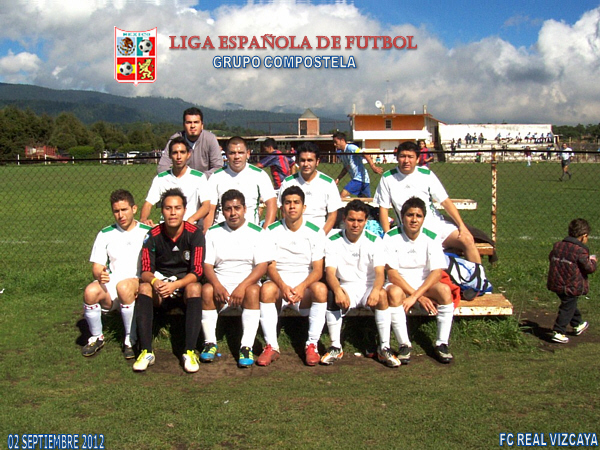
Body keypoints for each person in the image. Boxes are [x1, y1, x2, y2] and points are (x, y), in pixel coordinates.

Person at [133, 188, 205, 372]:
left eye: (177, 208)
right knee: (144, 288)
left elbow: (197, 271)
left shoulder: (195, 234)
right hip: (161, 290)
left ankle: (189, 351)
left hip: (183, 288)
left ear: (184, 210)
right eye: (168, 208)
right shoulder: (152, 235)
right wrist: (155, 283)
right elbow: (145, 271)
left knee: (195, 287)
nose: (173, 213)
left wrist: (176, 285)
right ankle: (146, 351)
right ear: (162, 211)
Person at [374, 141, 481, 264]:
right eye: (402, 156)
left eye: (410, 157)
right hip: (409, 231)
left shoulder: (426, 174)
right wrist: (388, 235)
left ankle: (479, 275)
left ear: (417, 158)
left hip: (436, 226)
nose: (406, 161)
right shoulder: (388, 178)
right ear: (397, 157)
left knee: (467, 239)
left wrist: (462, 226)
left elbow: (445, 202)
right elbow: (383, 209)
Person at [256, 186, 328, 366]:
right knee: (266, 288)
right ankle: (271, 346)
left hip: (304, 288)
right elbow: (270, 267)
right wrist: (283, 286)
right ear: (282, 208)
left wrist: (302, 287)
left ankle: (312, 345)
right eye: (288, 203)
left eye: (296, 202)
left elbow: (318, 270)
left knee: (321, 289)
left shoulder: (316, 231)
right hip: (280, 287)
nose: (292, 206)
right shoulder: (271, 230)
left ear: (304, 207)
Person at [322, 200, 400, 367]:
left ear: (366, 221)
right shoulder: (332, 239)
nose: (355, 224)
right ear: (344, 219)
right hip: (346, 286)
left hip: (369, 286)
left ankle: (384, 347)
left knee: (382, 295)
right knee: (332, 294)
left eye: (360, 220)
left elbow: (380, 273)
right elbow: (330, 273)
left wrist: (376, 290)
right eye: (351, 220)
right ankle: (335, 346)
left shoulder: (375, 240)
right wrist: (338, 290)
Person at [200, 190, 270, 368]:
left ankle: (246, 346)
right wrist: (217, 285)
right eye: (228, 209)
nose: (233, 213)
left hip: (246, 285)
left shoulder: (257, 232)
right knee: (206, 289)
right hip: (221, 285)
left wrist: (242, 286)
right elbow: (207, 265)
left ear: (245, 209)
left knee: (253, 291)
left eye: (237, 208)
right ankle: (210, 343)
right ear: (222, 211)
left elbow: (261, 266)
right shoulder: (213, 232)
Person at [384, 197, 455, 363]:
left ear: (424, 218)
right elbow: (393, 275)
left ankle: (442, 344)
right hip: (400, 285)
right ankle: (404, 345)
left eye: (418, 216)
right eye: (410, 215)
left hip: (423, 285)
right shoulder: (390, 236)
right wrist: (417, 296)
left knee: (445, 290)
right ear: (402, 217)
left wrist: (416, 296)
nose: (414, 220)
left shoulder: (432, 237)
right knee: (394, 293)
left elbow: (437, 273)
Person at [82, 190, 151, 359]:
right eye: (116, 211)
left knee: (124, 287)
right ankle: (97, 336)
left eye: (124, 210)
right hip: (114, 283)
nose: (120, 215)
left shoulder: (147, 232)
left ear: (134, 209)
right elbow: (97, 266)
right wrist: (100, 275)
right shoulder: (105, 234)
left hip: (137, 281)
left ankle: (130, 338)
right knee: (90, 292)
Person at [205, 136, 277, 231]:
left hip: (250, 232)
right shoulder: (216, 176)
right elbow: (210, 209)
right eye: (232, 153)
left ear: (248, 154)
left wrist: (264, 232)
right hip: (222, 232)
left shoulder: (259, 175)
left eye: (241, 153)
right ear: (226, 155)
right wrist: (207, 233)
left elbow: (272, 204)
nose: (237, 157)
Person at [140, 136, 210, 226]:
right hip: (166, 227)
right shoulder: (160, 178)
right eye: (175, 153)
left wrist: (191, 219)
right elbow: (148, 203)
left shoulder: (199, 177)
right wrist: (144, 219)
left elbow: (206, 206)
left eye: (182, 152)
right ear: (170, 155)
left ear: (188, 154)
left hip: (189, 226)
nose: (179, 156)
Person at [547, 219, 597, 344]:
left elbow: (551, 257)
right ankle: (559, 331)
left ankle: (578, 324)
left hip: (556, 281)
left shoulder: (558, 246)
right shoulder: (580, 251)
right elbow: (589, 268)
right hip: (571, 285)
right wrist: (593, 260)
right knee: (567, 307)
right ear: (584, 236)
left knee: (569, 304)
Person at [277, 142, 343, 235]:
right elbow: (283, 211)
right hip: (294, 232)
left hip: (319, 231)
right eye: (303, 160)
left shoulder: (328, 183)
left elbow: (332, 215)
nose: (306, 164)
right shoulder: (288, 182)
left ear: (317, 162)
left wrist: (320, 236)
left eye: (310, 160)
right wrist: (292, 233)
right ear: (297, 161)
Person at [157, 107, 223, 176]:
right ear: (183, 125)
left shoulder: (210, 139)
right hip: (180, 180)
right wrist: (178, 178)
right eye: (189, 122)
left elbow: (218, 167)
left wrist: (199, 178)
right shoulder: (175, 140)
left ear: (202, 125)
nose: (192, 126)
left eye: (196, 122)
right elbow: (162, 167)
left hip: (205, 180)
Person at [332, 131, 382, 198]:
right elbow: (346, 168)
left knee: (342, 196)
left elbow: (365, 154)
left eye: (336, 142)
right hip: (362, 180)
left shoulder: (351, 148)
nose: (334, 144)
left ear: (342, 140)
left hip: (359, 179)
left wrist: (373, 167)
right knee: (366, 202)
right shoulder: (342, 154)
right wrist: (338, 178)